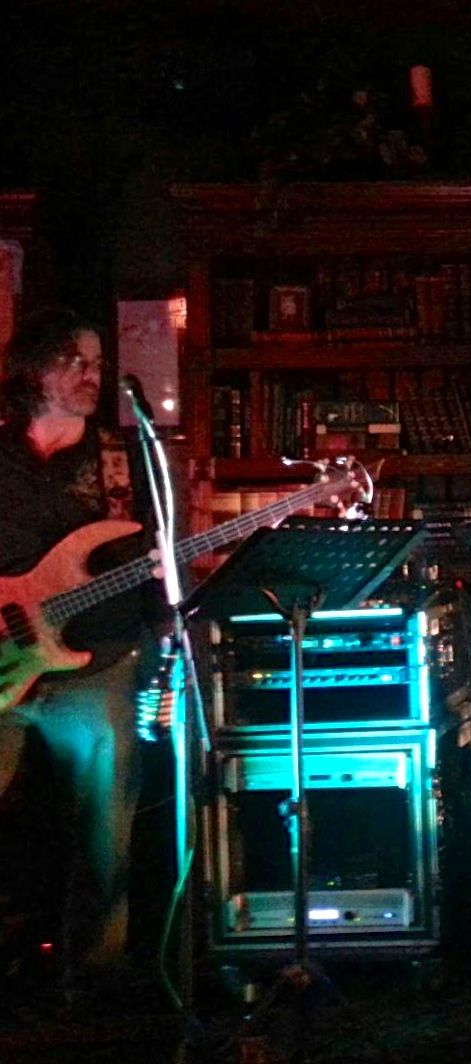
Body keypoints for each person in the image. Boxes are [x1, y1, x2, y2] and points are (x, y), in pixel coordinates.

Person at [0, 309, 156, 984]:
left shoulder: (123, 460)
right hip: (6, 659)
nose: (92, 375)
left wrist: (164, 576)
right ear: (35, 370)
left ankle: (93, 978)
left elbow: (155, 551)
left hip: (99, 659)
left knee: (105, 833)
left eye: (97, 363)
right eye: (75, 362)